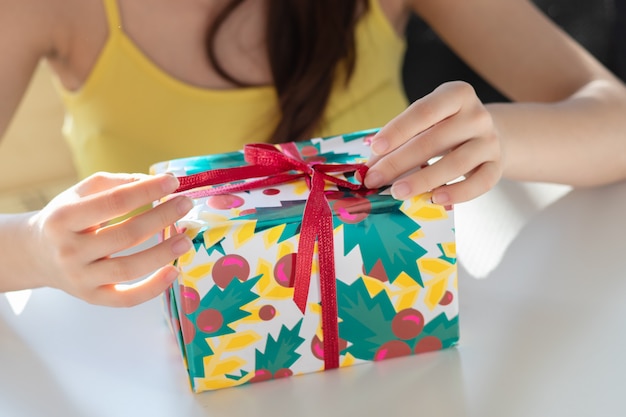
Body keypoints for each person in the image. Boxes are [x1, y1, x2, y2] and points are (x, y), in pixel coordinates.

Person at [1, 0, 625, 307]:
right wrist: (32, 248)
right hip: (157, 372)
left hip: (393, 334)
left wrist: (496, 138)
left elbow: (613, 117)